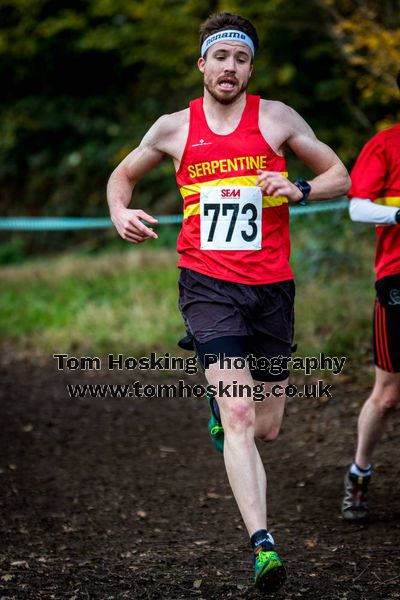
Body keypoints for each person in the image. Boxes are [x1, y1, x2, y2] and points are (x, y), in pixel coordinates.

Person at [107, 12, 350, 592]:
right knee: (241, 415)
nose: (230, 67)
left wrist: (300, 189)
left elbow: (341, 173)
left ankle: (222, 412)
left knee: (265, 426)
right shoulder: (172, 128)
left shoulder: (277, 118)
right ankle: (263, 544)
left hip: (271, 288)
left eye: (241, 59)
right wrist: (120, 210)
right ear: (203, 64)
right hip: (206, 282)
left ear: (249, 68)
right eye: (221, 57)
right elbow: (123, 175)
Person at [341, 73, 400, 523]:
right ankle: (359, 472)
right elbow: (357, 207)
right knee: (387, 396)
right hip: (396, 279)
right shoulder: (385, 145)